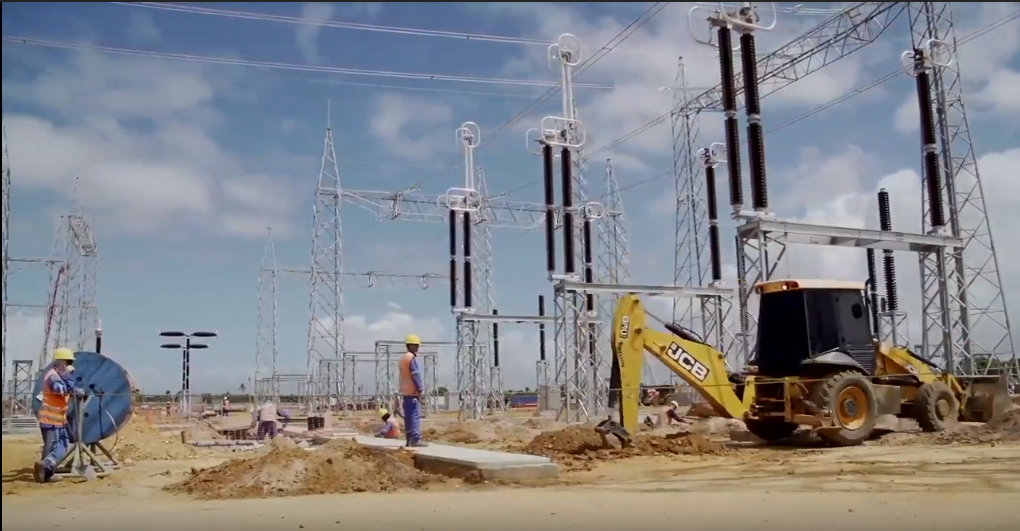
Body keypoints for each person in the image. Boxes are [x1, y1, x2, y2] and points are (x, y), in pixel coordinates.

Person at [34, 348, 85, 483]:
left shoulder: (59, 375)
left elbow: (67, 389)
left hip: (58, 419)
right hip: (50, 419)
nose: (69, 365)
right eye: (67, 362)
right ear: (60, 361)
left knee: (62, 445)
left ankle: (46, 468)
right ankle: (45, 470)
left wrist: (74, 388)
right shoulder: (53, 376)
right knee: (52, 447)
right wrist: (69, 378)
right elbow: (60, 390)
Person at [399, 334, 428, 447]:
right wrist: (420, 388)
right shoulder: (411, 358)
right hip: (412, 391)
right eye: (416, 345)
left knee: (408, 416)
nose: (417, 348)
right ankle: (415, 439)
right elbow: (415, 374)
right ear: (410, 346)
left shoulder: (403, 359)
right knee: (415, 415)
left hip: (405, 392)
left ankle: (409, 440)